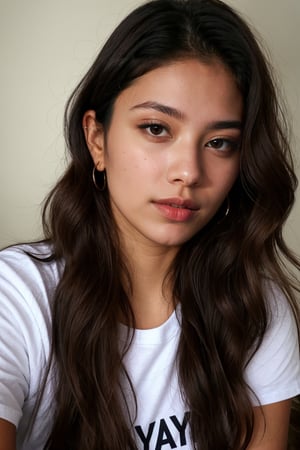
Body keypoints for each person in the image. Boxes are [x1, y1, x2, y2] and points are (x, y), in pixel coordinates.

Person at [0, 0, 299, 448]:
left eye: (219, 142)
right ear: (97, 138)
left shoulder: (254, 307)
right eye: (157, 129)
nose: (189, 172)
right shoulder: (18, 298)